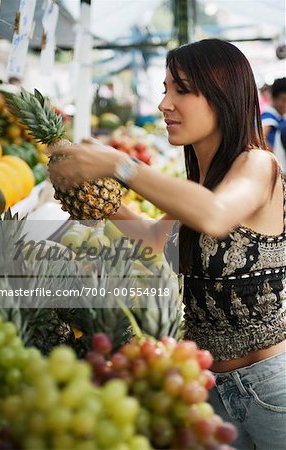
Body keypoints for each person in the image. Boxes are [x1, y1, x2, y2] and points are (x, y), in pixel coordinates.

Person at [49, 39, 286, 450]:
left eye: (181, 89)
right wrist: (101, 203)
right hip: (208, 385)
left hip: (270, 386)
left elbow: (214, 215)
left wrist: (118, 165)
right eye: (164, 89)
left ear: (222, 95)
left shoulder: (257, 164)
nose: (164, 104)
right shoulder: (201, 185)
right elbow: (154, 242)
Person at [261, 78, 286, 173]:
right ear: (274, 98)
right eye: (283, 100)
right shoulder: (269, 116)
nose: (285, 105)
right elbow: (259, 139)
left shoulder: (279, 117)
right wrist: (274, 155)